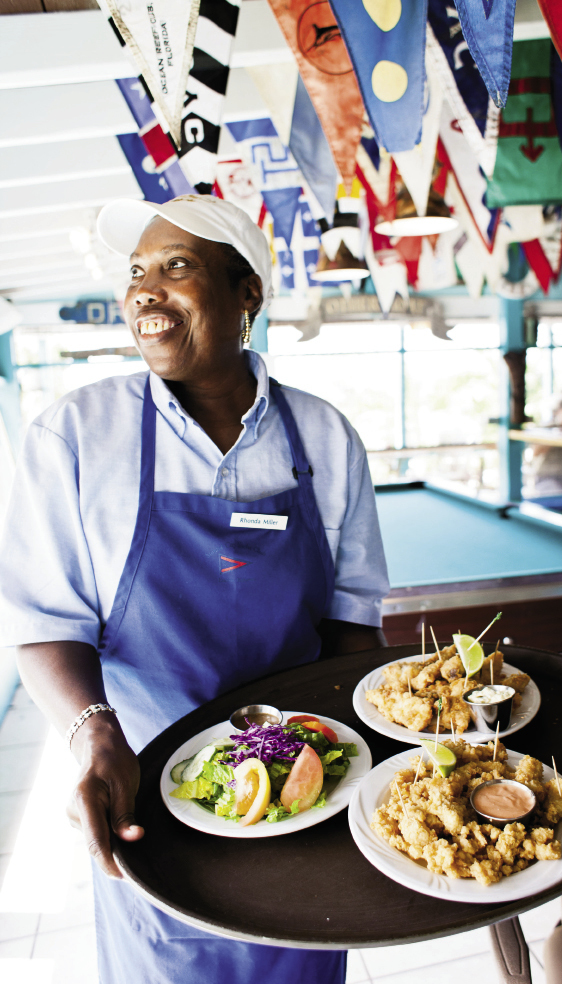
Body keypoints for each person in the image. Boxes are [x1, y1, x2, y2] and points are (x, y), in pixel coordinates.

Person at [0, 195, 389, 983]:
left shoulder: (325, 437)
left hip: (308, 802)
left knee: (304, 961)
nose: (144, 290)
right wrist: (94, 734)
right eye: (137, 272)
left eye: (176, 266)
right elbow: (45, 622)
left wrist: (358, 762)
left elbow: (353, 625)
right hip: (151, 796)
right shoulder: (75, 437)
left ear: (247, 291)